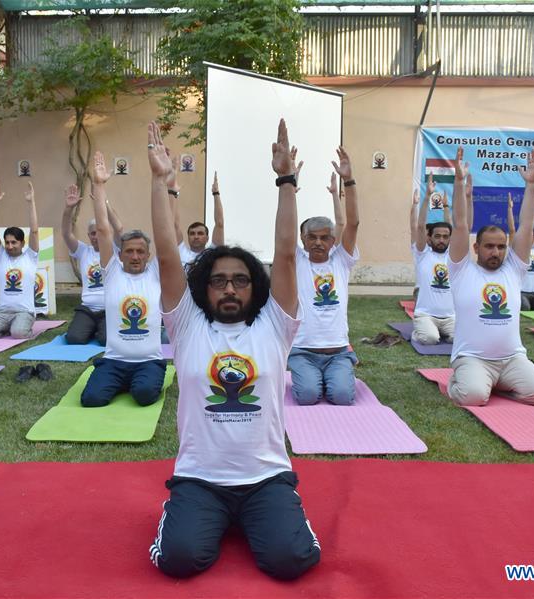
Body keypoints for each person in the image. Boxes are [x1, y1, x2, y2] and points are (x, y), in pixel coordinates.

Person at [148, 119, 320, 580]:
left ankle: (255, 519)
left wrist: (286, 181)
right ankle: (211, 517)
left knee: (292, 562)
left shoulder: (273, 326)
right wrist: (158, 182)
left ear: (254, 288)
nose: (229, 289)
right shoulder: (185, 325)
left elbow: (285, 254)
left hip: (265, 478)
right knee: (178, 561)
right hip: (200, 478)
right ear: (203, 288)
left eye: (240, 281)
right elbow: (167, 255)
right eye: (218, 280)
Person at [446, 148, 534, 407]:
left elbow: (526, 226)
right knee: (473, 397)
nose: (495, 252)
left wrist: (532, 184)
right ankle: (459, 380)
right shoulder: (462, 270)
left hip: (512, 359)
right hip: (472, 357)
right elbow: (460, 224)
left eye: (501, 246)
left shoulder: (513, 270)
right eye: (489, 246)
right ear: (476, 248)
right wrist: (459, 183)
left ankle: (497, 383)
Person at [79, 150, 166, 408]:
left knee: (144, 395)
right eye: (129, 251)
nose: (135, 256)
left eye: (141, 251)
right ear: (121, 254)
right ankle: (118, 381)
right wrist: (99, 184)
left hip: (148, 361)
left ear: (149, 255)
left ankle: (144, 380)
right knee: (91, 400)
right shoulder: (113, 272)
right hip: (114, 360)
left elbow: (165, 230)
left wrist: (163, 183)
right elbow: (104, 230)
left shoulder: (155, 273)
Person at [287, 147, 360, 405]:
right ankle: (311, 376)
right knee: (307, 397)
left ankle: (339, 373)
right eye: (312, 237)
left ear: (332, 240)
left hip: (338, 352)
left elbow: (351, 224)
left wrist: (349, 181)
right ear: (303, 240)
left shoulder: (341, 260)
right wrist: (288, 185)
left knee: (341, 397)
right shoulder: (296, 260)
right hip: (303, 352)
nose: (318, 242)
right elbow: (285, 227)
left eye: (324, 237)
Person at [60, 182, 124, 345]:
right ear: (89, 235)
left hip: (109, 309)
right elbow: (66, 234)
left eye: (100, 232)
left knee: (105, 340)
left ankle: (100, 329)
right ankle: (91, 327)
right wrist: (68, 209)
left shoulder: (115, 250)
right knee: (74, 339)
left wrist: (104, 203)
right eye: (93, 233)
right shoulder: (83, 251)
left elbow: (119, 228)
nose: (97, 236)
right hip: (87, 309)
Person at [0, 181, 39, 340]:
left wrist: (31, 202)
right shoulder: (1, 255)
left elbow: (34, 231)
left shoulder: (30, 256)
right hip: (2, 311)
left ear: (22, 243)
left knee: (18, 333)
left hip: (24, 312)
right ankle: (5, 328)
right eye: (7, 242)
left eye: (14, 242)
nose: (10, 246)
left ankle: (20, 328)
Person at [409, 175, 454, 345]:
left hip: (450, 316)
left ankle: (441, 331)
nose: (441, 240)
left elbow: (452, 228)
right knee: (430, 339)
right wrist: (427, 196)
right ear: (430, 238)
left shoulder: (452, 256)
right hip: (426, 314)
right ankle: (421, 331)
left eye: (445, 237)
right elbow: (419, 227)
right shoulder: (422, 254)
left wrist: (446, 207)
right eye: (437, 236)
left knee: (458, 339)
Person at [174, 166, 224, 268]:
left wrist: (216, 193)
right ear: (187, 237)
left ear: (207, 238)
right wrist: (174, 193)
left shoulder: (212, 253)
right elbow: (174, 224)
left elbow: (219, 223)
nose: (196, 237)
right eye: (192, 234)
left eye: (200, 233)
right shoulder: (181, 251)